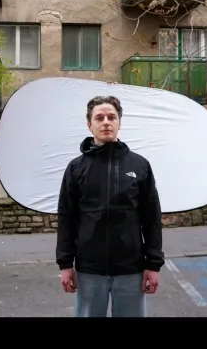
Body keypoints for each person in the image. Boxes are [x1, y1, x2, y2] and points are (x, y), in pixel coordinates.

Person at [56, 95, 163, 317]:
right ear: (89, 124)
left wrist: (153, 265)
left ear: (119, 123)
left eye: (111, 117)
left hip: (131, 269)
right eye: (99, 117)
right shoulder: (76, 168)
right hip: (89, 269)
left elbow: (152, 218)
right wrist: (65, 264)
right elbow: (67, 218)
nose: (106, 122)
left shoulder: (139, 166)